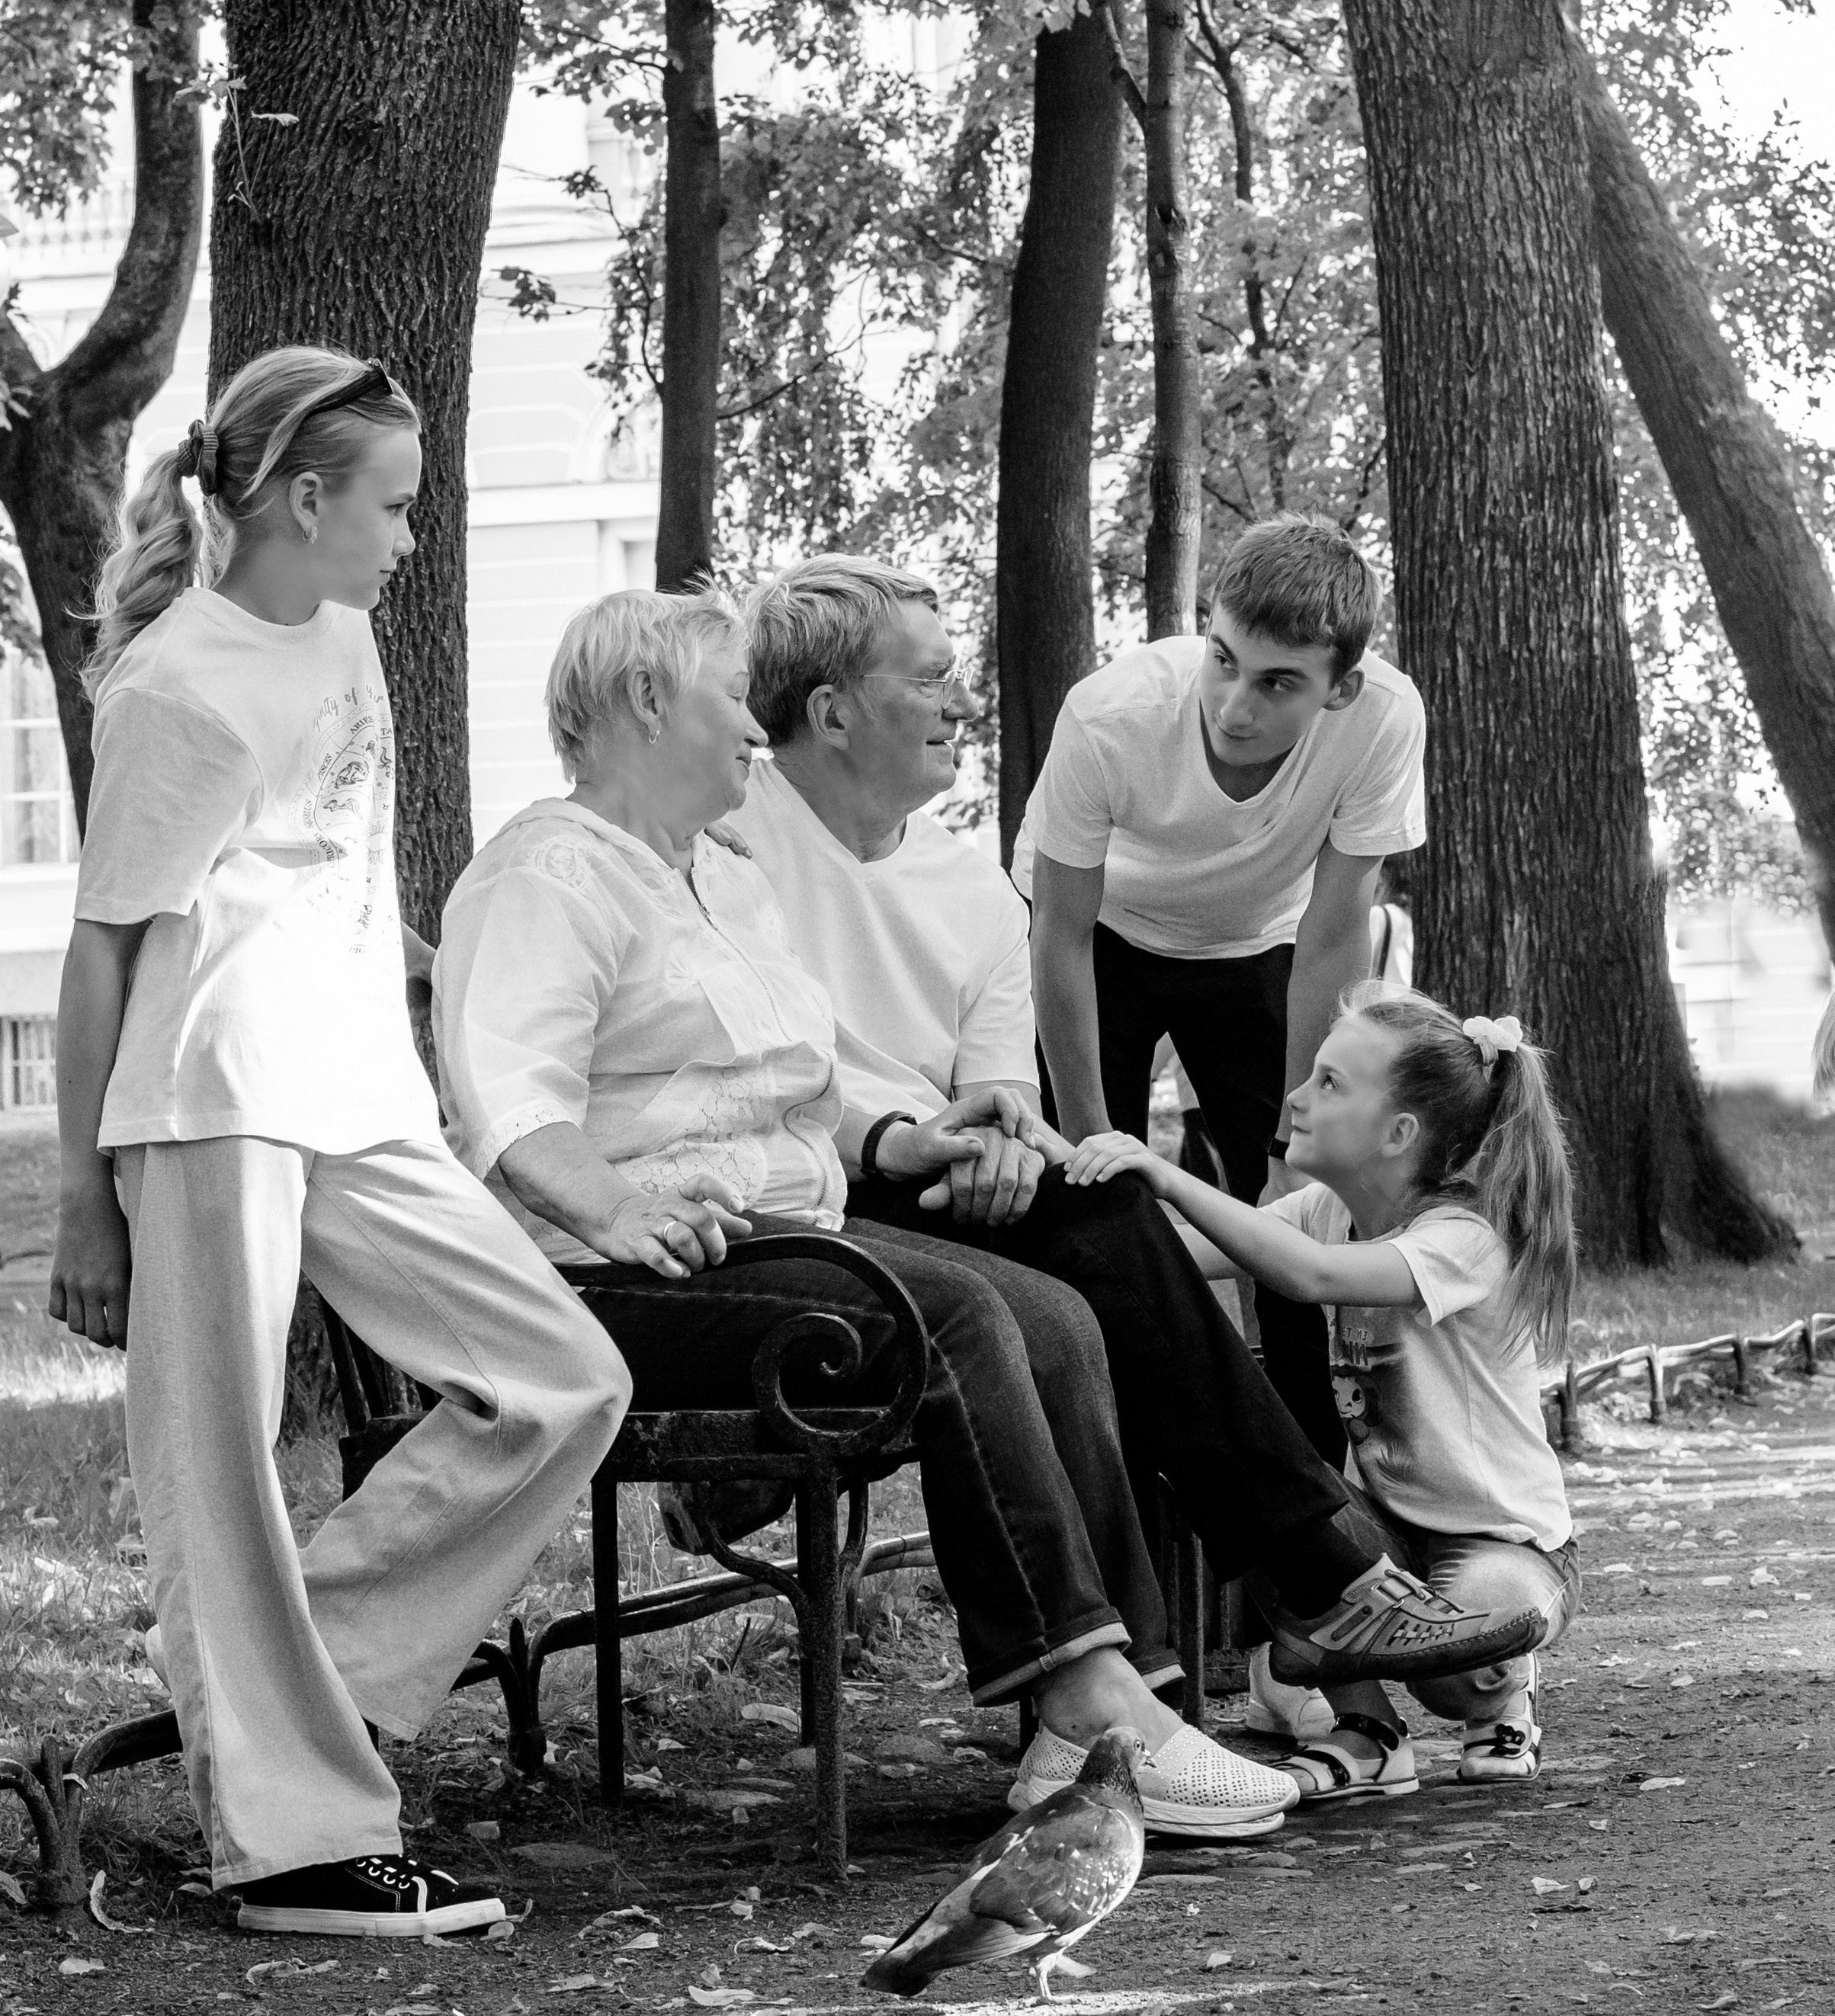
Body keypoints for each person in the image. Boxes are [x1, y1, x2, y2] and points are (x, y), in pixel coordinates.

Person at [435, 585, 1542, 1837]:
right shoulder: (548, 871)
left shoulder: (712, 882)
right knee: (960, 1310)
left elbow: (811, 1080)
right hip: (624, 1266)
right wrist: (616, 1201)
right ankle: (1097, 1701)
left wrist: (910, 1133)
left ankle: (1142, 1706)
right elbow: (507, 1096)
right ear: (645, 703)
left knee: (1057, 1302)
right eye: (728, 706)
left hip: (770, 1233)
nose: (751, 735)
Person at [49, 348, 629, 1938]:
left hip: (358, 1089)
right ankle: (297, 1845)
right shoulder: (178, 679)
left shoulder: (351, 639)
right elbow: (103, 949)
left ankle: (279, 1679)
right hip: (212, 1097)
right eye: (394, 506)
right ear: (305, 501)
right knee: (217, 1478)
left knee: (560, 1376)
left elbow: (338, 879)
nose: (410, 537)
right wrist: (80, 1207)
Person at [1065, 986, 1581, 1793]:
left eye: (1331, 1083)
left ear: (1398, 1132)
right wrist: (1060, 1186)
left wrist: (1162, 1171)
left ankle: (1501, 1696)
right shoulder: (1323, 1208)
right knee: (1271, 1501)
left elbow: (1306, 1278)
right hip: (1381, 1528)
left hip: (1499, 1542)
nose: (1296, 1099)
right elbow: (1172, 1253)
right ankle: (1369, 1732)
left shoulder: (1464, 1238)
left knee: (1450, 1664)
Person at [1015, 514, 1426, 1466]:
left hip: (1257, 942)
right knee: (1085, 1204)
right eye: (1223, 660)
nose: (1236, 704)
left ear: (1341, 689)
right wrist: (1090, 1139)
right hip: (1101, 940)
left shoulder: (1383, 723)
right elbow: (1058, 933)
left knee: (1293, 1196)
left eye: (1278, 682)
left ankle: (1314, 1478)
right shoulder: (1109, 715)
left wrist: (1293, 1140)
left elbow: (1334, 936)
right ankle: (1102, 1455)